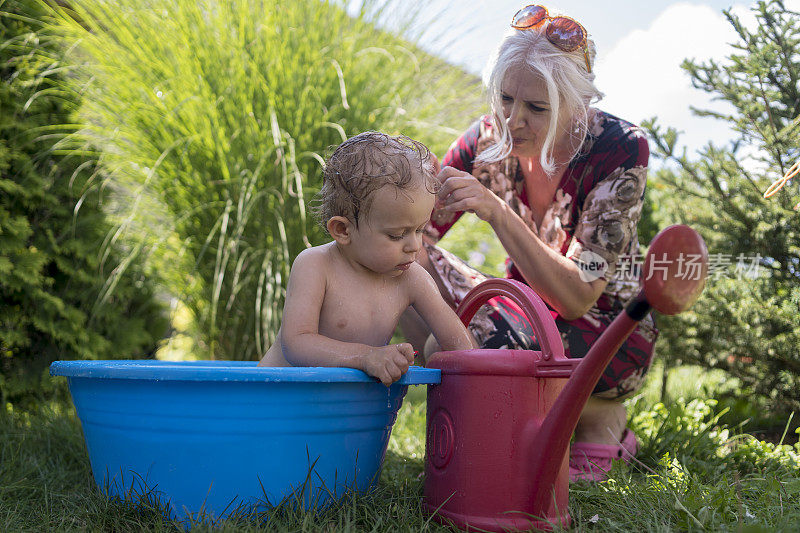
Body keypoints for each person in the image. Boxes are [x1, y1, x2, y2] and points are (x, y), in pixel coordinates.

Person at [400, 5, 657, 481]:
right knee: (389, 257)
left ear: (576, 106)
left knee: (481, 335)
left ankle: (590, 415)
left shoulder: (620, 148)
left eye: (537, 108)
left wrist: (496, 212)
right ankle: (535, 422)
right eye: (505, 98)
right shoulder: (490, 136)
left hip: (601, 337)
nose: (513, 120)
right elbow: (413, 230)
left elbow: (578, 296)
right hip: (516, 317)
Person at [258, 131, 475, 386]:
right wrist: (366, 357)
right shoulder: (316, 266)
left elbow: (461, 347)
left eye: (419, 230)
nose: (415, 246)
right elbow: (297, 344)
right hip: (274, 400)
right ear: (343, 230)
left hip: (345, 412)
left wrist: (479, 371)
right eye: (396, 235)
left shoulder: (411, 278)